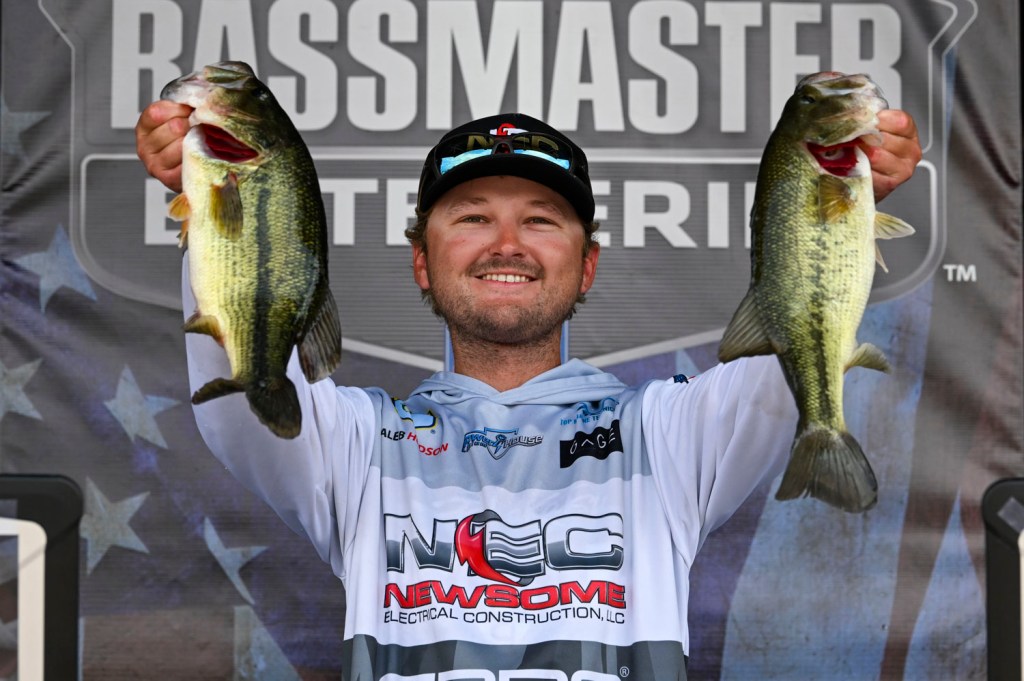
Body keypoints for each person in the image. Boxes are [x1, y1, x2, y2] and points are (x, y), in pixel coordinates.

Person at [137, 102, 921, 678]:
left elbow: (792, 343)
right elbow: (243, 399)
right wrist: (214, 210)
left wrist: (842, 201)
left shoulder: (669, 433)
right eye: (472, 217)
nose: (507, 244)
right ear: (422, 262)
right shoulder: (356, 445)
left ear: (587, 265)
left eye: (542, 220)